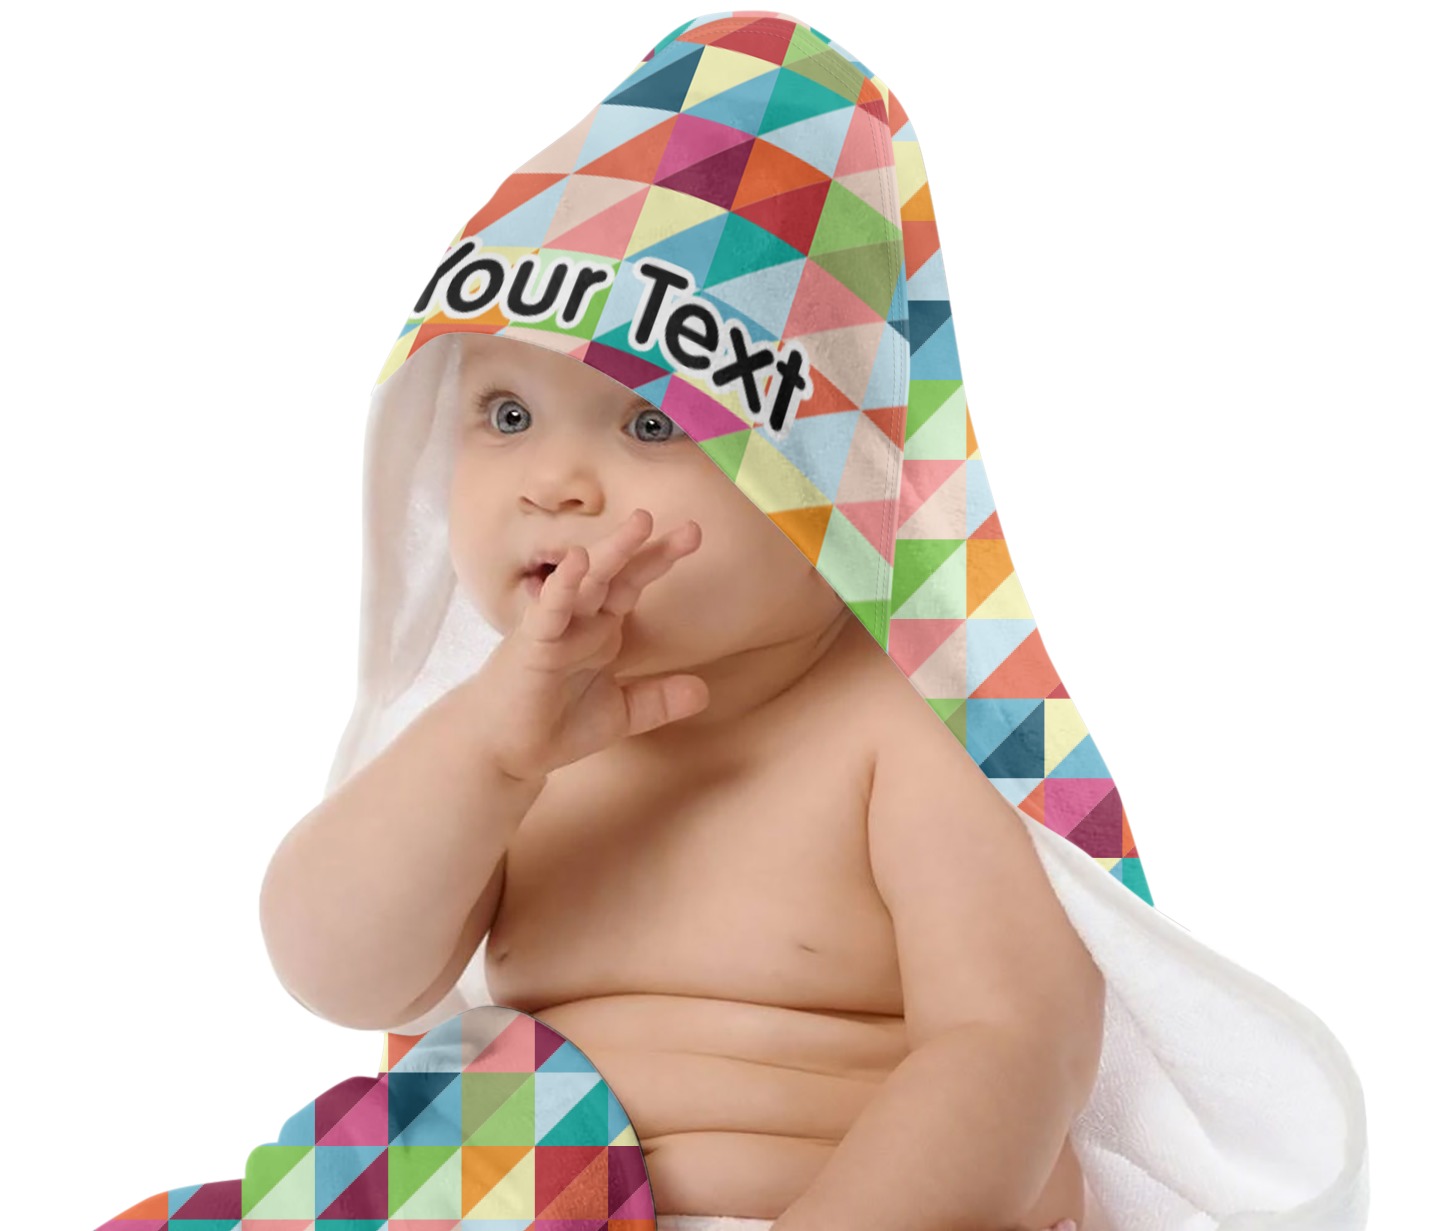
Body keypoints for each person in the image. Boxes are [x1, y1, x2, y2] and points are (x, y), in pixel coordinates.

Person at [259, 328, 1102, 1231]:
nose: (553, 483)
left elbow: (1012, 1045)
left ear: (838, 475)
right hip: (498, 1194)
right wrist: (485, 754)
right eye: (509, 416)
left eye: (653, 423)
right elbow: (339, 976)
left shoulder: (911, 728)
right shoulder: (505, 741)